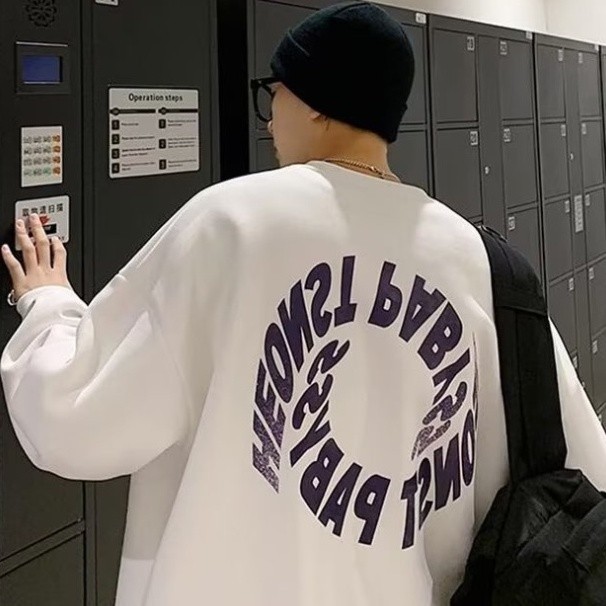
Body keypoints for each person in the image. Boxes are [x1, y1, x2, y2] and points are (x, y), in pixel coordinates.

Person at [2, 2, 606, 605]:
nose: (269, 120)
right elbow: (582, 470)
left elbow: (73, 422)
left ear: (317, 101)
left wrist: (48, 303)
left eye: (276, 94)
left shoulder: (231, 224)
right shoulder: (487, 267)